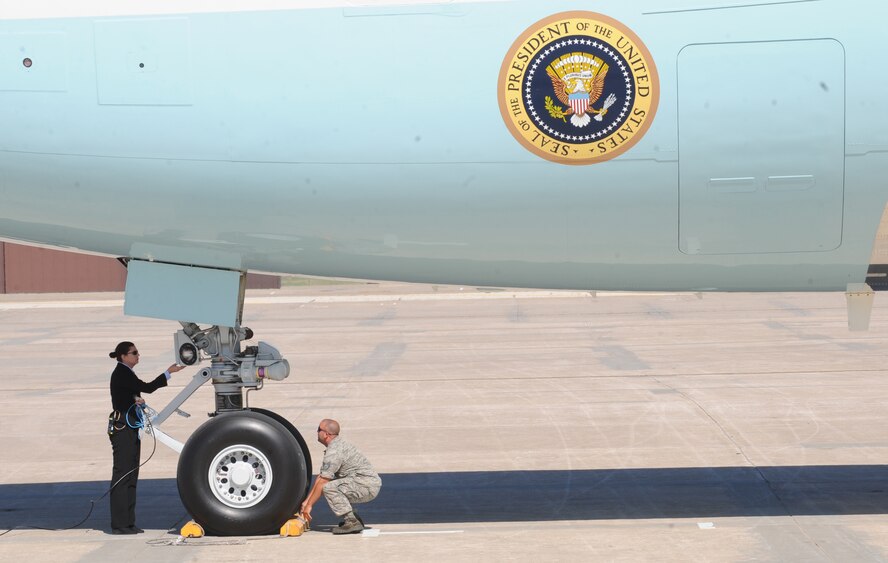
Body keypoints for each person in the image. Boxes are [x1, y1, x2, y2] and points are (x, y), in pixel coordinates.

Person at [107, 341, 183, 535]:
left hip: (129, 426)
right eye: (134, 353)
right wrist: (169, 372)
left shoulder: (125, 373)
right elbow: (147, 387)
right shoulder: (122, 373)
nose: (137, 356)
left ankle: (128, 522)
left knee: (131, 474)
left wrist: (135, 399)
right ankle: (120, 524)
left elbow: (125, 393)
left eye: (137, 352)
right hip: (123, 428)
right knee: (123, 475)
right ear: (123, 356)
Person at [300, 418, 382, 534]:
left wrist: (309, 506)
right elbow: (321, 477)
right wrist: (306, 502)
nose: (317, 432)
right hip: (363, 483)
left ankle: (351, 521)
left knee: (329, 487)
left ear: (326, 434)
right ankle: (353, 518)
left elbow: (323, 482)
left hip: (366, 486)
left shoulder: (334, 451)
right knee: (334, 484)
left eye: (319, 430)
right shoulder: (336, 445)